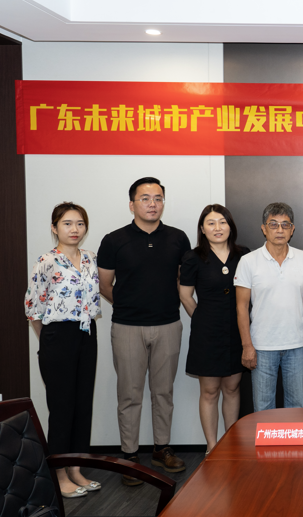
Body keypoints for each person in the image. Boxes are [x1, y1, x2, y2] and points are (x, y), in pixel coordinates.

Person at [98, 177, 191, 483]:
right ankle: (130, 456)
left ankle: (161, 449)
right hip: (127, 327)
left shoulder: (178, 238)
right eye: (145, 198)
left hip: (168, 324)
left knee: (163, 392)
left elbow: (182, 281)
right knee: (129, 394)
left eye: (158, 198)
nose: (153, 204)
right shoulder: (114, 240)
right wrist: (130, 306)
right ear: (132, 204)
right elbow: (105, 284)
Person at [25, 202, 102, 498]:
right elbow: (33, 308)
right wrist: (48, 341)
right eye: (67, 223)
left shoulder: (90, 258)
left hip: (87, 333)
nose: (74, 229)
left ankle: (76, 468)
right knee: (61, 407)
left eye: (80, 223)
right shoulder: (47, 261)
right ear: (54, 228)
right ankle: (58, 474)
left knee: (83, 404)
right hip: (57, 335)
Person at [179, 204, 250, 454]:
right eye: (211, 223)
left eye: (222, 222)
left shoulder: (244, 255)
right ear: (202, 228)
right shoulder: (193, 257)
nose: (217, 228)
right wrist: (202, 318)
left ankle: (230, 444)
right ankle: (212, 447)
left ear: (231, 226)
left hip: (237, 330)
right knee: (209, 391)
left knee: (232, 388)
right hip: (207, 333)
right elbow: (185, 295)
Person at [234, 202, 303, 411]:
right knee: (263, 409)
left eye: (285, 225)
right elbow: (241, 307)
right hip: (261, 347)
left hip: (297, 345)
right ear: (264, 229)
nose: (280, 230)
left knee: (296, 407)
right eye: (273, 224)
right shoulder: (248, 261)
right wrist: (247, 346)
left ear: (292, 229)